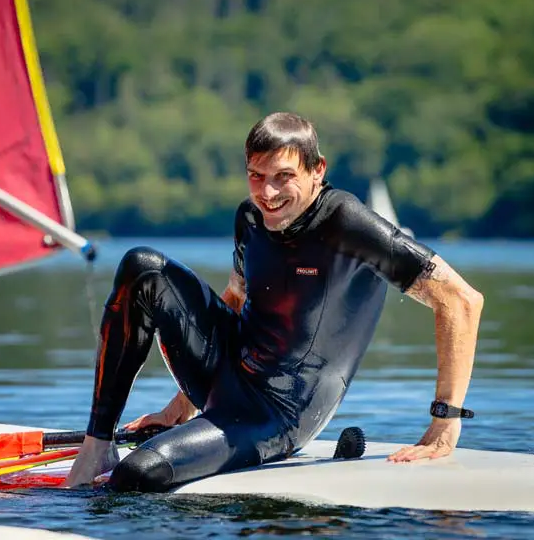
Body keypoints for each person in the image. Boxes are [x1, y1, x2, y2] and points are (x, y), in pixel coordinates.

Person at [64, 111, 484, 491]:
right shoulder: (250, 218)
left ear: (317, 171)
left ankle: (134, 460)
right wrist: (180, 406)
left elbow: (461, 300)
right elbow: (235, 300)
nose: (267, 193)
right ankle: (97, 442)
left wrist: (445, 424)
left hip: (275, 417)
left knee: (138, 474)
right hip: (226, 377)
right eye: (256, 176)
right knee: (144, 266)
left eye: (283, 176)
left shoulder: (347, 223)